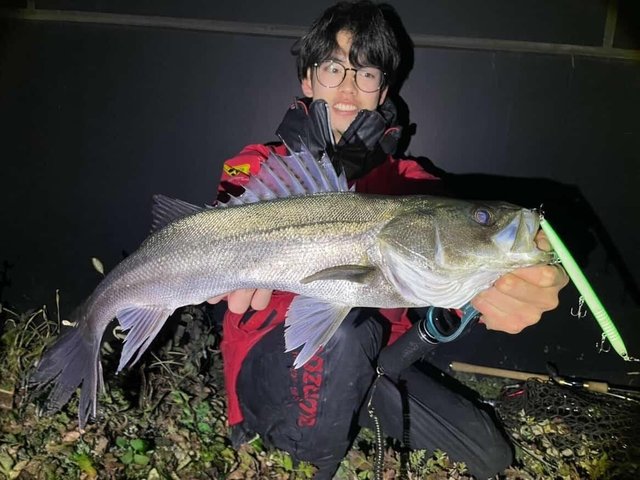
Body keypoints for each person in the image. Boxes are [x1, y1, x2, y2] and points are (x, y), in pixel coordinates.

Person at [209, 2, 569, 478]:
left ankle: (349, 409)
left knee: (490, 454)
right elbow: (224, 216)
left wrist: (501, 287)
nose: (347, 87)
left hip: (378, 360)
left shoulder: (414, 183)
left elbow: (454, 257)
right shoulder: (259, 164)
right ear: (307, 79)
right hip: (277, 358)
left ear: (383, 90)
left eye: (366, 73)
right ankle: (293, 448)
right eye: (333, 68)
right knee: (345, 333)